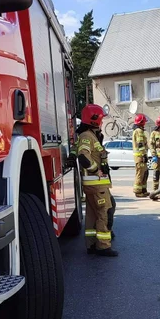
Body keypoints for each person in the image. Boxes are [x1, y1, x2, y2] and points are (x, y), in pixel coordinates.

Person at [68, 104, 118, 257]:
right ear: (95, 120)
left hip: (94, 185)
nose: (102, 122)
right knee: (105, 212)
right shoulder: (87, 136)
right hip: (96, 184)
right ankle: (103, 246)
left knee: (92, 215)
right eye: (101, 119)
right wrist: (97, 170)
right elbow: (84, 157)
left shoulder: (89, 135)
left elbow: (76, 151)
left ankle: (91, 244)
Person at [133, 113, 149, 198]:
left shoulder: (139, 130)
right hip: (140, 157)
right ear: (142, 122)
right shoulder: (138, 131)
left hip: (141, 156)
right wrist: (143, 155)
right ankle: (138, 191)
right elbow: (140, 144)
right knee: (140, 174)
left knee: (145, 173)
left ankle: (143, 190)